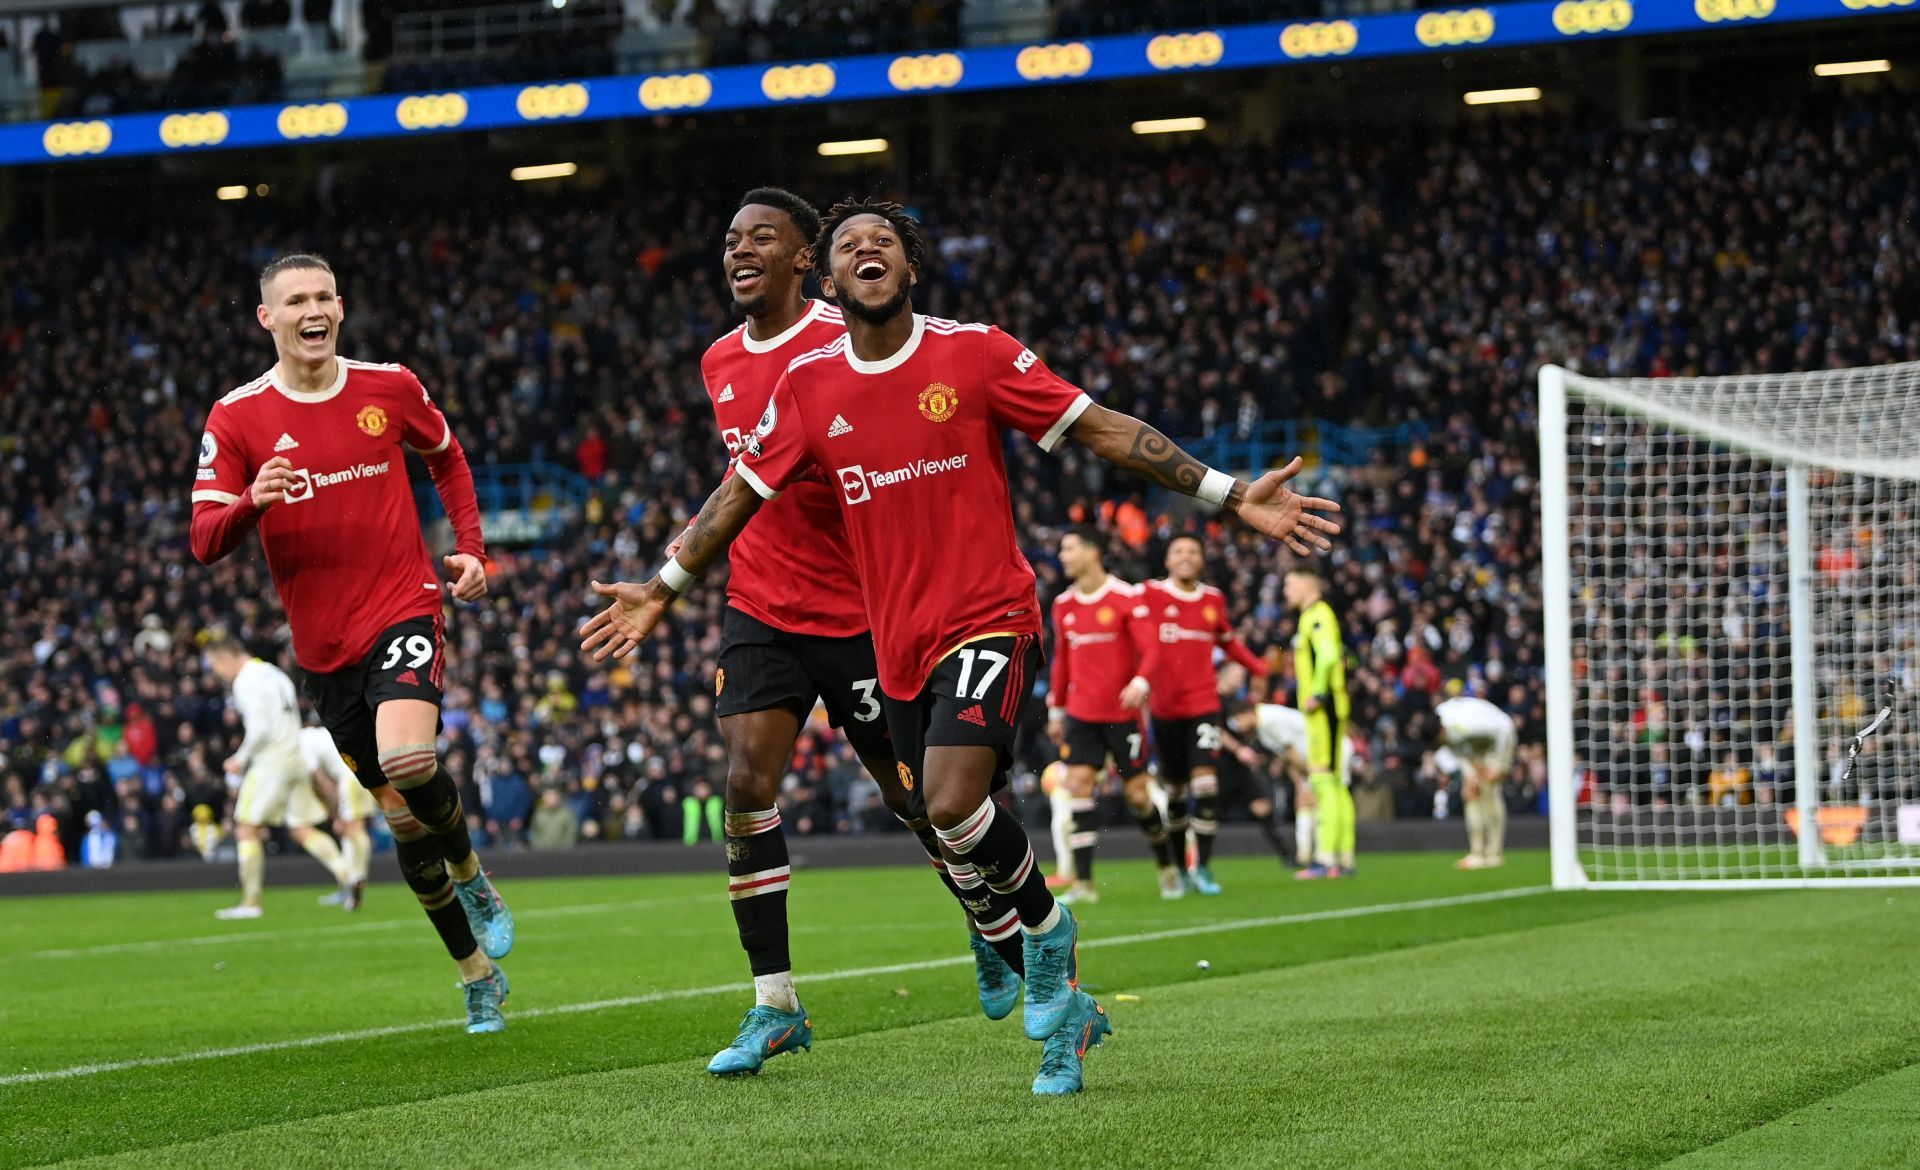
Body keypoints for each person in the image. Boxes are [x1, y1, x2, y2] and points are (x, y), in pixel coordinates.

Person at [582, 197, 1340, 1095]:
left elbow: (1102, 427)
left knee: (946, 803)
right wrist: (662, 590)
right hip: (891, 640)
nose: (868, 253)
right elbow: (738, 497)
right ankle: (1056, 992)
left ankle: (1046, 940)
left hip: (988, 614)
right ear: (828, 279)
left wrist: (1226, 492)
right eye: (850, 246)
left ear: (910, 268)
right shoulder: (809, 388)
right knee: (953, 827)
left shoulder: (973, 351)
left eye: (885, 243)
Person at [687, 188, 1031, 1078]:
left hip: (863, 611)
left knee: (917, 797)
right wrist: (668, 577)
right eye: (732, 238)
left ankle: (989, 918)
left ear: (810, 260)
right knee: (744, 782)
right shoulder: (718, 359)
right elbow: (739, 484)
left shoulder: (845, 344)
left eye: (763, 236)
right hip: (762, 605)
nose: (741, 250)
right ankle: (775, 1003)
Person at [189, 253, 514, 1034]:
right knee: (401, 821)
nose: (314, 309)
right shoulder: (236, 416)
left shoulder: (389, 386)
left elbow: (447, 455)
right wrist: (251, 504)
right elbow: (203, 538)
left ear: (342, 305)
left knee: (411, 761)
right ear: (266, 318)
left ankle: (473, 874)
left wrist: (471, 546)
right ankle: (475, 972)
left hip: (404, 607)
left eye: (325, 296)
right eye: (295, 299)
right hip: (322, 650)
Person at [1125, 535, 1269, 895]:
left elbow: (1227, 640)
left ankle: (1202, 867)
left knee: (1206, 786)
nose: (1186, 556)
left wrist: (1258, 667)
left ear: (1202, 559)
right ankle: (1180, 868)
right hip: (1163, 709)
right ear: (1168, 560)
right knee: (1174, 795)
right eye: (1179, 551)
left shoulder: (1212, 599)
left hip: (1203, 705)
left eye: (1193, 551)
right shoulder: (1148, 594)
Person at [1045, 526, 1172, 902]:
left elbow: (1152, 650)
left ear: (1092, 552)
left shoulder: (1125, 596)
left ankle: (1167, 865)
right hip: (1082, 714)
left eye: (1068, 548)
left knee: (1137, 795)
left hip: (1122, 713)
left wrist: (1141, 682)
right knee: (1078, 787)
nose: (1062, 556)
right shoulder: (1063, 604)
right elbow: (1062, 662)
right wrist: (1056, 709)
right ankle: (1083, 883)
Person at [205, 636, 350, 916]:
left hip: (271, 761)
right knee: (301, 827)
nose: (217, 674)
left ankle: (250, 903)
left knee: (246, 827)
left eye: (215, 666)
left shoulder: (246, 681)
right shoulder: (274, 672)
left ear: (225, 658)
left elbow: (259, 727)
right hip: (296, 756)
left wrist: (240, 758)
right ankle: (348, 875)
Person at [1286, 569, 1354, 879]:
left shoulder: (1317, 614)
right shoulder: (1315, 615)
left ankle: (1326, 860)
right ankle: (1343, 855)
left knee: (1323, 783)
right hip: (1329, 708)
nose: (1286, 591)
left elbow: (1327, 654)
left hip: (1322, 711)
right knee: (1335, 784)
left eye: (1290, 584)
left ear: (1306, 584)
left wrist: (1316, 693)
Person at [1428, 695, 1518, 869]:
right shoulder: (1442, 729)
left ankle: (1494, 853)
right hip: (1473, 745)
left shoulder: (1468, 726)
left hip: (1500, 735)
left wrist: (1498, 764)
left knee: (1490, 790)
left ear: (1441, 731)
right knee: (1471, 793)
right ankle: (1477, 852)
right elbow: (1459, 749)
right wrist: (1470, 777)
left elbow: (1502, 731)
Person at [302, 723, 375, 910]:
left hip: (349, 777)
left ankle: (352, 881)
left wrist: (336, 817)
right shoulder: (323, 734)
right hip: (366, 768)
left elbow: (325, 785)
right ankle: (355, 881)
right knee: (357, 829)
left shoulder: (301, 741)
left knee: (351, 829)